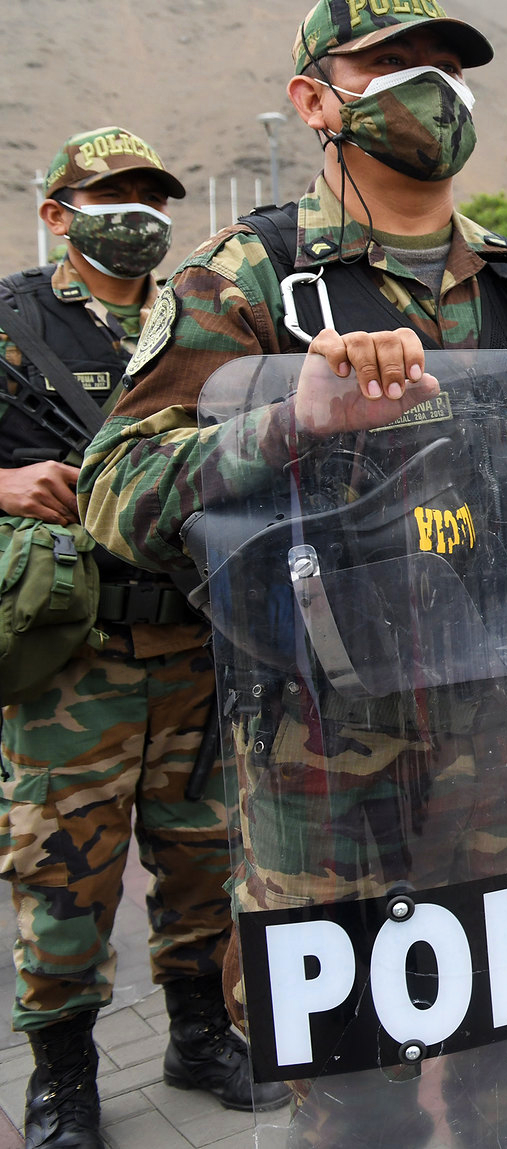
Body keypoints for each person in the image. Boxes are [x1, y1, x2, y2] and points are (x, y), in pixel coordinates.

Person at [76, 0, 507, 1147]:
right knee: (358, 1102)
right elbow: (115, 496)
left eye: (449, 66)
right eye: (392, 68)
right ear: (313, 102)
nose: (434, 92)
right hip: (330, 769)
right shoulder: (248, 282)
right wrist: (287, 418)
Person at [0, 129, 287, 1147]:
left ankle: (199, 1035)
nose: (138, 214)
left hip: (201, 637)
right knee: (65, 870)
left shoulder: (205, 318)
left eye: (152, 196)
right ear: (56, 213)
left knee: (204, 856)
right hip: (74, 657)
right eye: (109, 194)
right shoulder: (11, 322)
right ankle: (62, 1078)